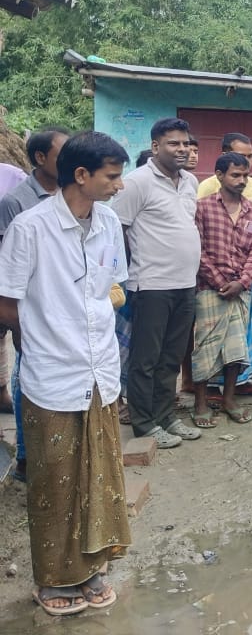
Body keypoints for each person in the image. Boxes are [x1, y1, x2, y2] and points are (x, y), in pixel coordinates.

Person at [0, 131, 130, 615]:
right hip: (52, 375)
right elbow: (7, 301)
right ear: (82, 176)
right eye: (111, 176)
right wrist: (41, 341)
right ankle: (54, 580)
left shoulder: (110, 222)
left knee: (98, 475)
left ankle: (92, 569)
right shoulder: (30, 228)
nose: (118, 185)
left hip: (100, 371)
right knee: (55, 480)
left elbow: (111, 283)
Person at [112, 117, 203, 449]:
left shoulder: (190, 181)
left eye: (184, 143)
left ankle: (166, 416)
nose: (181, 149)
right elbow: (117, 229)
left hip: (185, 284)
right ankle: (144, 422)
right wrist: (129, 271)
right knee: (145, 359)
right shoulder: (137, 182)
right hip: (150, 285)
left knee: (172, 355)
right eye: (172, 143)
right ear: (155, 147)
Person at [0, 126, 68, 435]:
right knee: (25, 375)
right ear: (40, 157)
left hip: (59, 301)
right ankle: (26, 453)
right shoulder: (17, 202)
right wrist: (16, 321)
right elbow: (8, 263)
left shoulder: (68, 194)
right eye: (62, 154)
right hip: (28, 303)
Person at [191, 153, 252, 428]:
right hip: (211, 289)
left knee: (236, 347)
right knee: (206, 347)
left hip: (241, 290)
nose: (242, 180)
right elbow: (198, 250)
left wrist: (242, 283)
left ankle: (229, 399)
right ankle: (200, 402)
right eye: (235, 175)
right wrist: (221, 282)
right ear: (219, 175)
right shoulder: (203, 208)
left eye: (245, 175)